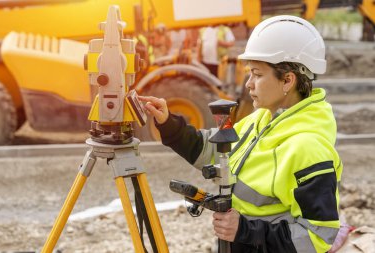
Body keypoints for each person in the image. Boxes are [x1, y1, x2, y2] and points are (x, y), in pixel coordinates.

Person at [139, 15, 342, 253]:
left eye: (257, 74)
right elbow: (213, 151)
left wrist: (245, 231)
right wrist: (169, 124)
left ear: (287, 80)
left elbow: (319, 235)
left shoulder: (308, 147)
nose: (248, 84)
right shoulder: (262, 119)